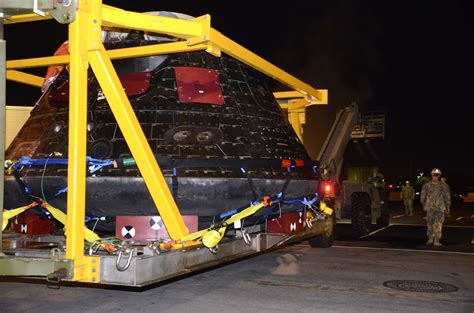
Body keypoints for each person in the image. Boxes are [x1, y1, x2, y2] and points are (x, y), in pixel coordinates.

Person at [421, 168, 451, 247]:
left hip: (440, 207)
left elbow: (447, 197)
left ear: (439, 176)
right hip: (430, 207)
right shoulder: (426, 185)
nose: (435, 176)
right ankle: (430, 239)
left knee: (438, 224)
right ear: (431, 175)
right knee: (430, 223)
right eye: (434, 175)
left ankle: (436, 240)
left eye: (437, 175)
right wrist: (424, 205)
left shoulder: (444, 186)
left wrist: (448, 207)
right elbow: (422, 196)